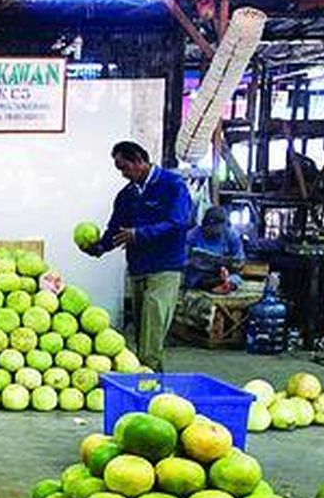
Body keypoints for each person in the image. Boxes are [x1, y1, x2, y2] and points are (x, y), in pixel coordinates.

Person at [83, 141, 193, 371]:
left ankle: (147, 379)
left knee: (153, 325)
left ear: (139, 161)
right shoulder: (126, 195)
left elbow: (179, 222)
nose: (123, 174)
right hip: (138, 267)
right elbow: (116, 230)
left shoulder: (172, 185)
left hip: (165, 267)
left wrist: (140, 234)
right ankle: (152, 379)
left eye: (124, 168)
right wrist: (99, 248)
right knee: (144, 330)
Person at [185, 206, 246, 293]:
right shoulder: (192, 236)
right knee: (195, 280)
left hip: (225, 275)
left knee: (234, 279)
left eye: (220, 228)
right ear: (205, 225)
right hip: (199, 275)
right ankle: (214, 287)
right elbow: (183, 260)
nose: (217, 231)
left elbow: (240, 260)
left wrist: (227, 270)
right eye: (212, 228)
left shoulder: (231, 235)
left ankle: (226, 286)